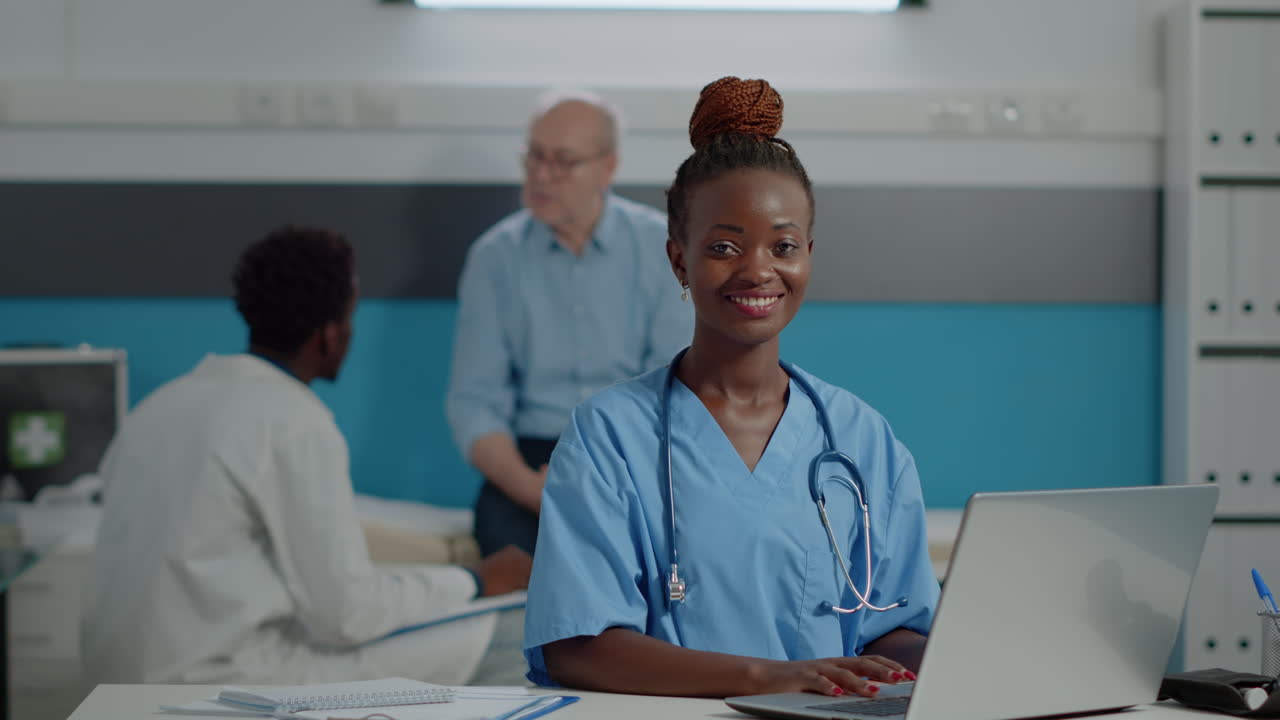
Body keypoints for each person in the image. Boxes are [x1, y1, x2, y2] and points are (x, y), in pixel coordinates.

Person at [522, 78, 941, 698]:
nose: (758, 270)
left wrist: (974, 658)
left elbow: (890, 629)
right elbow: (577, 647)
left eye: (784, 245)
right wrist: (770, 677)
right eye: (724, 246)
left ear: (808, 256)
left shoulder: (859, 435)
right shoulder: (609, 434)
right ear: (678, 259)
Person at [81, 226, 532, 686]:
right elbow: (346, 615)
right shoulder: (293, 422)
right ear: (329, 336)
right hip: (220, 682)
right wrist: (475, 581)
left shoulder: (158, 408)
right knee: (519, 638)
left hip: (122, 678)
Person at [447, 89, 693, 557]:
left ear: (608, 168)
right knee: (517, 569)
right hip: (531, 462)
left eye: (563, 161)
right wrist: (532, 489)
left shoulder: (663, 248)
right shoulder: (494, 258)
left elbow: (674, 390)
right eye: (534, 156)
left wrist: (610, 485)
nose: (542, 175)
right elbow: (474, 400)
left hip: (632, 453)